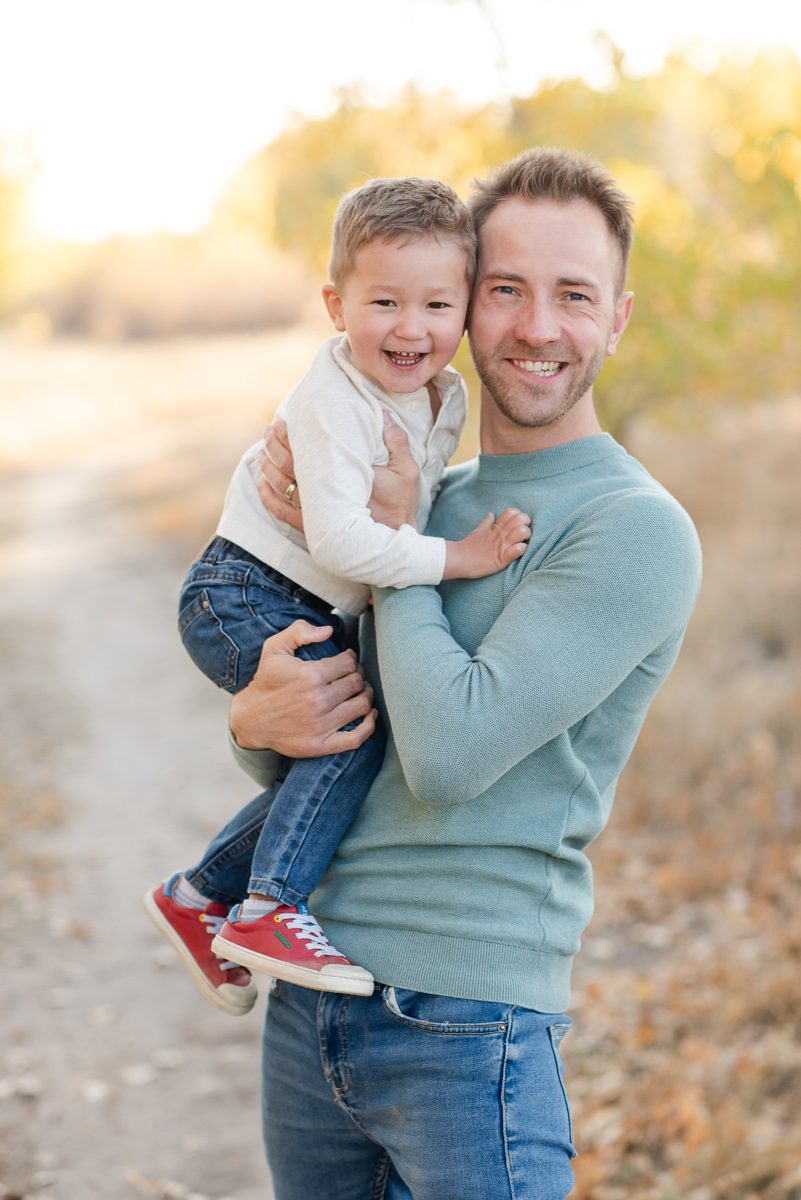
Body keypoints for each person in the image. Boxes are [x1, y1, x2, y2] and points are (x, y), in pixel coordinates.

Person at [227, 148, 703, 1200]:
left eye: (574, 294)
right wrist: (254, 723)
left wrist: (390, 555)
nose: (539, 326)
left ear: (617, 319)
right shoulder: (417, 499)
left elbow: (446, 754)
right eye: (507, 290)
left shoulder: (633, 530)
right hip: (312, 1004)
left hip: (464, 1025)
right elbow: (322, 759)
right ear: (465, 309)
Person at [144, 176, 531, 1015]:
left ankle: (197, 894)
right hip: (245, 590)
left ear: (464, 309)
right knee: (347, 740)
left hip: (300, 599)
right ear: (335, 303)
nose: (410, 327)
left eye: (436, 305)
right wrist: (455, 558)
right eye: (383, 301)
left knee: (342, 756)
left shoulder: (440, 394)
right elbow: (344, 542)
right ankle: (267, 909)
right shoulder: (333, 399)